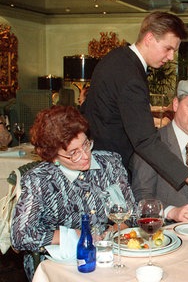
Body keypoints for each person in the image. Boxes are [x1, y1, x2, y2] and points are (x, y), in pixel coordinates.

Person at [81, 11, 188, 200]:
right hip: (107, 171)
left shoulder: (117, 58)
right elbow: (145, 141)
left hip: (95, 159)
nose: (171, 57)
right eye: (168, 49)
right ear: (149, 38)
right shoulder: (131, 77)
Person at [10, 106, 135, 279]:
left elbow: (132, 214)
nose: (85, 156)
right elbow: (20, 236)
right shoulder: (39, 180)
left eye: (85, 144)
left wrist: (110, 233)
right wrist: (72, 236)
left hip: (108, 253)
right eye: (73, 153)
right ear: (53, 156)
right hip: (59, 262)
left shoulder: (110, 164)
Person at [131, 80, 188, 222]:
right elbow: (141, 197)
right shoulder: (152, 144)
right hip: (168, 229)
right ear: (175, 104)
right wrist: (171, 212)